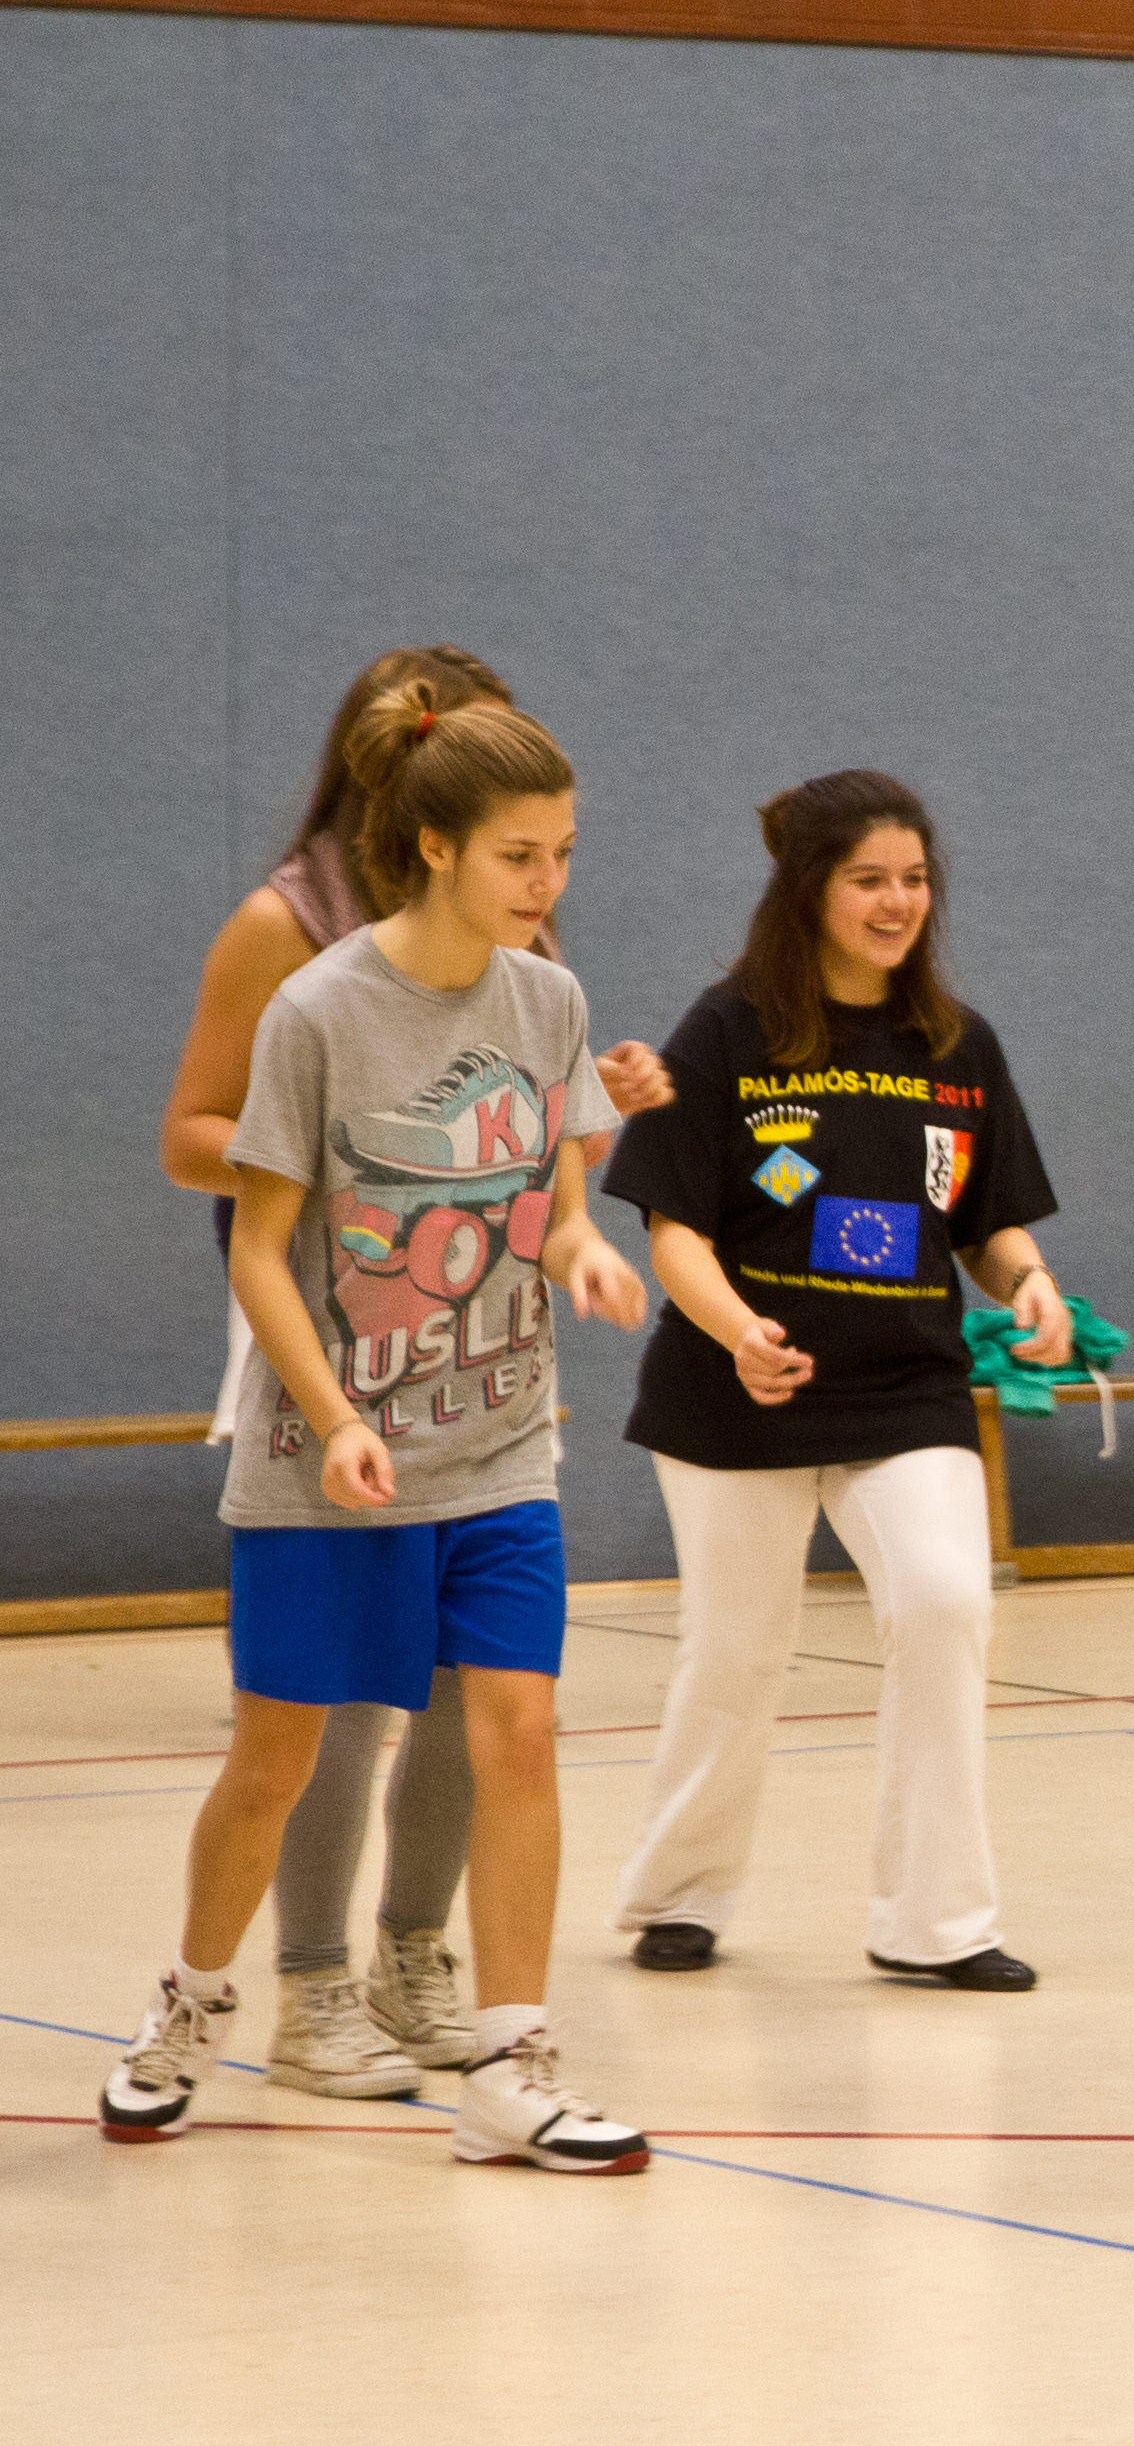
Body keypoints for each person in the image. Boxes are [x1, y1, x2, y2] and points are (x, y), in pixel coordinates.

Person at [102, 690, 653, 2169]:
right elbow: (259, 1248)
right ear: (434, 845)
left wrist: (583, 1251)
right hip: (333, 1463)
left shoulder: (549, 1000)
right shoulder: (320, 1009)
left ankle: (514, 2061)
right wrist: (336, 1414)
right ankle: (193, 1998)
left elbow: (549, 1199)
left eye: (563, 852)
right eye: (520, 855)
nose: (546, 881)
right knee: (275, 1764)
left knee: (518, 1729)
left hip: (500, 1447)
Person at [603, 772, 1071, 1992]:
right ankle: (679, 1896)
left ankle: (936, 1921)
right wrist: (739, 1332)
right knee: (736, 1648)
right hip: (733, 1393)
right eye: (868, 879)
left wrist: (1032, 1284)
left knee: (945, 1603)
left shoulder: (960, 1046)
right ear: (809, 889)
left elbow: (986, 1226)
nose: (896, 902)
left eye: (913, 879)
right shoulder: (726, 1031)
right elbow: (672, 1230)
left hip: (906, 1390)